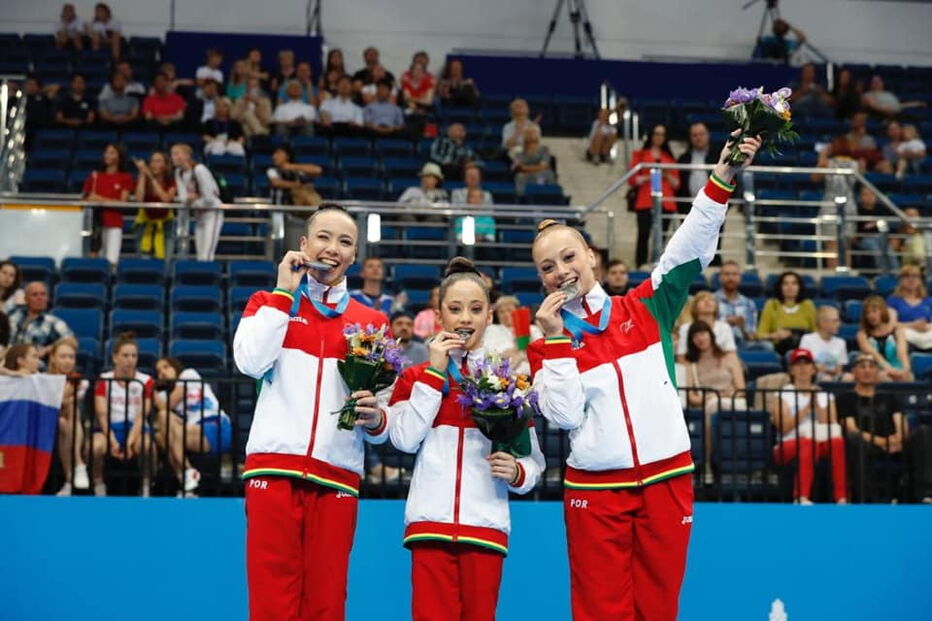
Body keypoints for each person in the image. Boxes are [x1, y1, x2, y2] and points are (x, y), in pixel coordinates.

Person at [527, 131, 762, 621]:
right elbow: (565, 417)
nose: (560, 271)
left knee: (659, 607)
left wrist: (723, 176)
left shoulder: (647, 306)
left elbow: (689, 244)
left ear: (592, 256)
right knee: (599, 611)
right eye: (547, 267)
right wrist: (553, 340)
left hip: (667, 478)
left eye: (569, 256)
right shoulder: (544, 345)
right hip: (595, 490)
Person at [233, 204, 391, 620]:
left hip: (337, 474)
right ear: (303, 244)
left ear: (354, 256)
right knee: (271, 602)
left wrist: (375, 418)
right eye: (324, 237)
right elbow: (250, 361)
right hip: (273, 470)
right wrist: (285, 293)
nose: (332, 249)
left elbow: (381, 420)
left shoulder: (371, 323)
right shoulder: (267, 302)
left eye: (345, 242)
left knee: (326, 603)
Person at [388, 257, 544, 621]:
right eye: (455, 309)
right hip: (429, 525)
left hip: (485, 526)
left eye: (475, 309)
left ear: (489, 317)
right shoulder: (415, 376)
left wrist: (518, 472)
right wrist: (434, 373)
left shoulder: (507, 384)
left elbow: (534, 463)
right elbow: (404, 439)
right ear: (439, 316)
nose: (465, 318)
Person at [838, 354, 932, 503]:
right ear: (854, 372)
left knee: (924, 432)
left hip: (895, 443)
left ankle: (925, 494)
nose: (867, 371)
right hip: (868, 444)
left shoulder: (889, 397)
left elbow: (900, 421)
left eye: (871, 367)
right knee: (853, 439)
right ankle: (865, 497)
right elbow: (851, 428)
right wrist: (882, 442)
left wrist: (898, 439)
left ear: (877, 372)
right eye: (862, 367)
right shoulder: (846, 398)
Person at [769, 348, 847, 504]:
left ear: (813, 369)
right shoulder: (781, 395)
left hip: (821, 440)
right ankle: (801, 495)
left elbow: (832, 424)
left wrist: (817, 406)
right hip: (788, 444)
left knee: (837, 442)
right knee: (807, 442)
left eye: (807, 364)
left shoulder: (826, 396)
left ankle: (841, 497)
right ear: (791, 370)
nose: (803, 368)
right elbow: (783, 427)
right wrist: (805, 409)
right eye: (798, 365)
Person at [154, 357, 232, 496]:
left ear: (175, 366)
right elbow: (163, 410)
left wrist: (150, 389)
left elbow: (168, 403)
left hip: (215, 424)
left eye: (166, 367)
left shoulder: (188, 375)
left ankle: (188, 473)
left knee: (164, 419)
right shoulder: (164, 396)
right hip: (194, 428)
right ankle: (188, 480)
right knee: (161, 434)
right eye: (159, 372)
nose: (163, 373)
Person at [91, 332, 156, 497]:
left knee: (147, 446)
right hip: (110, 427)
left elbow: (142, 415)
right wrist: (113, 442)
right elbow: (101, 415)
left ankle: (146, 486)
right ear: (115, 358)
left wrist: (130, 442)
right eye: (125, 355)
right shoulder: (104, 380)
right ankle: (98, 485)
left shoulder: (146, 381)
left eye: (134, 356)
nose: (130, 360)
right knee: (96, 447)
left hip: (137, 428)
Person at [683, 320, 747, 475]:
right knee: (711, 406)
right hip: (708, 404)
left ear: (710, 335)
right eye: (695, 336)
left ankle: (707, 463)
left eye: (703, 333)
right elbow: (692, 397)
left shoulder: (730, 358)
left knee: (713, 405)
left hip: (734, 401)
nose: (700, 338)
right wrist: (708, 398)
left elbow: (742, 389)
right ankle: (709, 462)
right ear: (691, 341)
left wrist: (721, 395)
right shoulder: (691, 365)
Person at [628, 124, 681, 268]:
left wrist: (666, 175)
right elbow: (632, 179)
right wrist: (651, 176)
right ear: (651, 135)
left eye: (662, 134)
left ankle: (658, 266)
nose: (659, 137)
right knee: (643, 234)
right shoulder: (640, 155)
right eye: (657, 134)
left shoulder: (669, 158)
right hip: (645, 200)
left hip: (666, 202)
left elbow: (676, 184)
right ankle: (641, 265)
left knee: (662, 237)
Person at [47, 338, 90, 496]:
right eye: (63, 356)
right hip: (46, 426)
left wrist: (61, 399)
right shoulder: (43, 379)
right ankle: (78, 464)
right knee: (63, 417)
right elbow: (52, 404)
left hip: (70, 425)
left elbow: (70, 401)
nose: (68, 361)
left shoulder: (80, 380)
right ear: (52, 357)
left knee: (68, 416)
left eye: (71, 357)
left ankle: (69, 480)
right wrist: (62, 397)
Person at [82, 143, 134, 266]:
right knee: (94, 260)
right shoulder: (95, 176)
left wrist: (99, 199)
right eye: (107, 152)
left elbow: (122, 202)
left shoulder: (125, 177)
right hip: (95, 223)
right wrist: (95, 199)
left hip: (114, 222)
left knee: (112, 260)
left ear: (119, 156)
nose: (108, 155)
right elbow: (86, 197)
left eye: (112, 152)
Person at [172, 143, 223, 262]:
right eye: (172, 154)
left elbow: (210, 199)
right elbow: (183, 198)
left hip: (212, 213)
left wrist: (193, 200)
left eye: (176, 154)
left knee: (207, 254)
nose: (173, 157)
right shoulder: (178, 173)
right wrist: (191, 200)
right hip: (199, 215)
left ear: (187, 156)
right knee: (200, 255)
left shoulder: (199, 169)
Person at [813, 135, 858, 269]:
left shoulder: (828, 162)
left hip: (830, 205)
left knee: (831, 245)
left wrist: (822, 155)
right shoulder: (856, 164)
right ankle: (846, 274)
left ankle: (832, 274)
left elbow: (814, 177)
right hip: (849, 206)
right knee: (846, 245)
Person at [6, 282, 74, 362]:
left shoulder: (52, 321)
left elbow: (72, 341)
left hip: (36, 365)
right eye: (35, 295)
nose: (40, 298)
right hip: (8, 361)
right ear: (26, 299)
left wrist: (47, 349)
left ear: (47, 298)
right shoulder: (13, 316)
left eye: (43, 294)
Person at [757, 271, 817, 356]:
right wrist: (775, 335)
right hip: (779, 348)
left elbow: (816, 332)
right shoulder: (771, 304)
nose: (790, 287)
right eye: (785, 283)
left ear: (799, 287)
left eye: (794, 283)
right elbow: (760, 335)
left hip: (804, 347)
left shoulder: (808, 305)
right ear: (780, 287)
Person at [481, 294, 542, 376]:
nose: (505, 315)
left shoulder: (532, 329)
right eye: (501, 312)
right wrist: (520, 352)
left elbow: (540, 355)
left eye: (509, 310)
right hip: (504, 378)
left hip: (532, 376)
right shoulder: (491, 330)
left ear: (517, 311)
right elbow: (491, 357)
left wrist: (516, 355)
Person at [132, 150, 177, 260]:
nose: (154, 164)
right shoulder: (144, 179)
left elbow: (166, 199)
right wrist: (142, 175)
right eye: (152, 161)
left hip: (166, 224)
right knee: (143, 260)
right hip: (145, 223)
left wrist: (151, 178)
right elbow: (139, 199)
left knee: (165, 260)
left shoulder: (171, 181)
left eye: (158, 161)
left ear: (166, 165)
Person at [857, 295, 913, 381]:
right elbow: (876, 356)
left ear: (882, 312)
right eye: (868, 313)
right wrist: (890, 370)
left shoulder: (897, 330)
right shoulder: (862, 334)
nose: (871, 316)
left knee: (908, 377)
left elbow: (902, 353)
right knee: (884, 377)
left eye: (874, 311)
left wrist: (905, 369)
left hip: (897, 368)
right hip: (875, 370)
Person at [675, 291, 737, 362]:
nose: (707, 301)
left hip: (720, 367)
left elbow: (731, 355)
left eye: (711, 299)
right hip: (693, 368)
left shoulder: (724, 327)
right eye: (702, 299)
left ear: (716, 307)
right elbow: (681, 357)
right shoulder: (685, 328)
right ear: (694, 307)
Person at [713, 260, 759, 348]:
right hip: (717, 343)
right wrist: (725, 323)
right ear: (720, 277)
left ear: (740, 277)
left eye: (734, 274)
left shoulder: (749, 304)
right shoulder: (711, 300)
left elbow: (751, 337)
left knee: (766, 347)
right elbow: (704, 330)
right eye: (726, 274)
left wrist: (742, 327)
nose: (730, 278)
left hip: (743, 344)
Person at [886, 264, 932, 351]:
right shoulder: (893, 300)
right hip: (905, 336)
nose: (911, 279)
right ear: (901, 280)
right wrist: (913, 325)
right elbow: (891, 325)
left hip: (927, 335)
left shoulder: (929, 301)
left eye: (915, 276)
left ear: (920, 280)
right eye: (907, 276)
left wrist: (925, 327)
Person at [855, 185, 899, 273]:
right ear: (860, 197)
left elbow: (892, 223)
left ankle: (896, 272)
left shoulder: (881, 209)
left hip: (880, 237)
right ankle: (882, 272)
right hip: (864, 238)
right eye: (865, 195)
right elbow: (857, 231)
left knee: (889, 251)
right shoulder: (857, 211)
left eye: (871, 194)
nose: (869, 197)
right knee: (876, 250)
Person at [799, 306, 849, 382]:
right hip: (814, 378)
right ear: (823, 323)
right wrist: (828, 370)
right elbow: (805, 366)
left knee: (849, 377)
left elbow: (839, 370)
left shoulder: (841, 342)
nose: (839, 324)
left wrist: (823, 368)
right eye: (835, 321)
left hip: (834, 377)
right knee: (826, 379)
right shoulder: (807, 339)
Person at [677, 122, 717, 203]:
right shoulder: (683, 159)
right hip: (688, 206)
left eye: (701, 134)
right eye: (694, 135)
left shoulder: (718, 157)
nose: (698, 138)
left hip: (714, 207)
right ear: (690, 138)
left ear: (708, 135)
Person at [512, 126, 556, 196]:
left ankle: (546, 198)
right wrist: (532, 168)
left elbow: (543, 166)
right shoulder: (519, 152)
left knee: (542, 175)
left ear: (538, 136)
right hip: (525, 175)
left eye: (532, 133)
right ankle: (520, 199)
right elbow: (519, 167)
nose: (530, 135)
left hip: (542, 174)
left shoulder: (544, 150)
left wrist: (526, 168)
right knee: (519, 176)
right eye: (528, 133)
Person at [862, 75, 927, 119]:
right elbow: (875, 106)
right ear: (871, 84)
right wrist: (889, 112)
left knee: (921, 114)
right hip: (885, 116)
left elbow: (899, 105)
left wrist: (915, 104)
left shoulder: (889, 94)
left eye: (879, 81)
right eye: (874, 82)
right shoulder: (868, 95)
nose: (877, 83)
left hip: (898, 113)